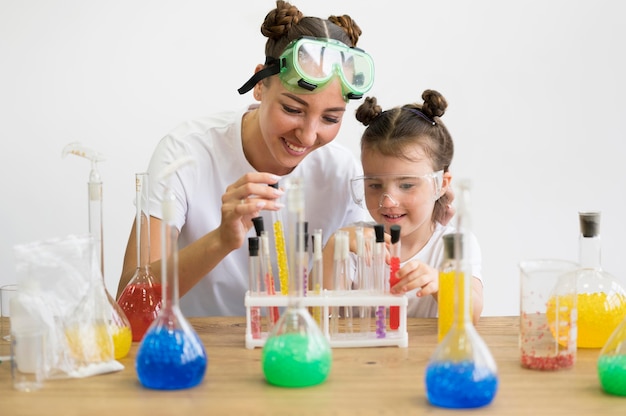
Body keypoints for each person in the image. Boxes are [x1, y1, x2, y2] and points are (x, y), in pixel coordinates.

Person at [116, 0, 375, 316]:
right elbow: (129, 302)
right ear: (260, 85)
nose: (308, 136)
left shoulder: (341, 169)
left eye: (331, 118)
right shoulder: (186, 153)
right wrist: (221, 240)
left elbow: (356, 301)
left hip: (298, 352)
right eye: (292, 110)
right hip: (203, 353)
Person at [322, 90, 483, 323]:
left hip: (423, 358)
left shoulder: (453, 246)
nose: (388, 201)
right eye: (375, 185)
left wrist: (442, 284)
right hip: (360, 359)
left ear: (440, 184)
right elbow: (318, 316)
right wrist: (333, 249)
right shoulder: (354, 244)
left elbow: (473, 313)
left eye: (407, 185)